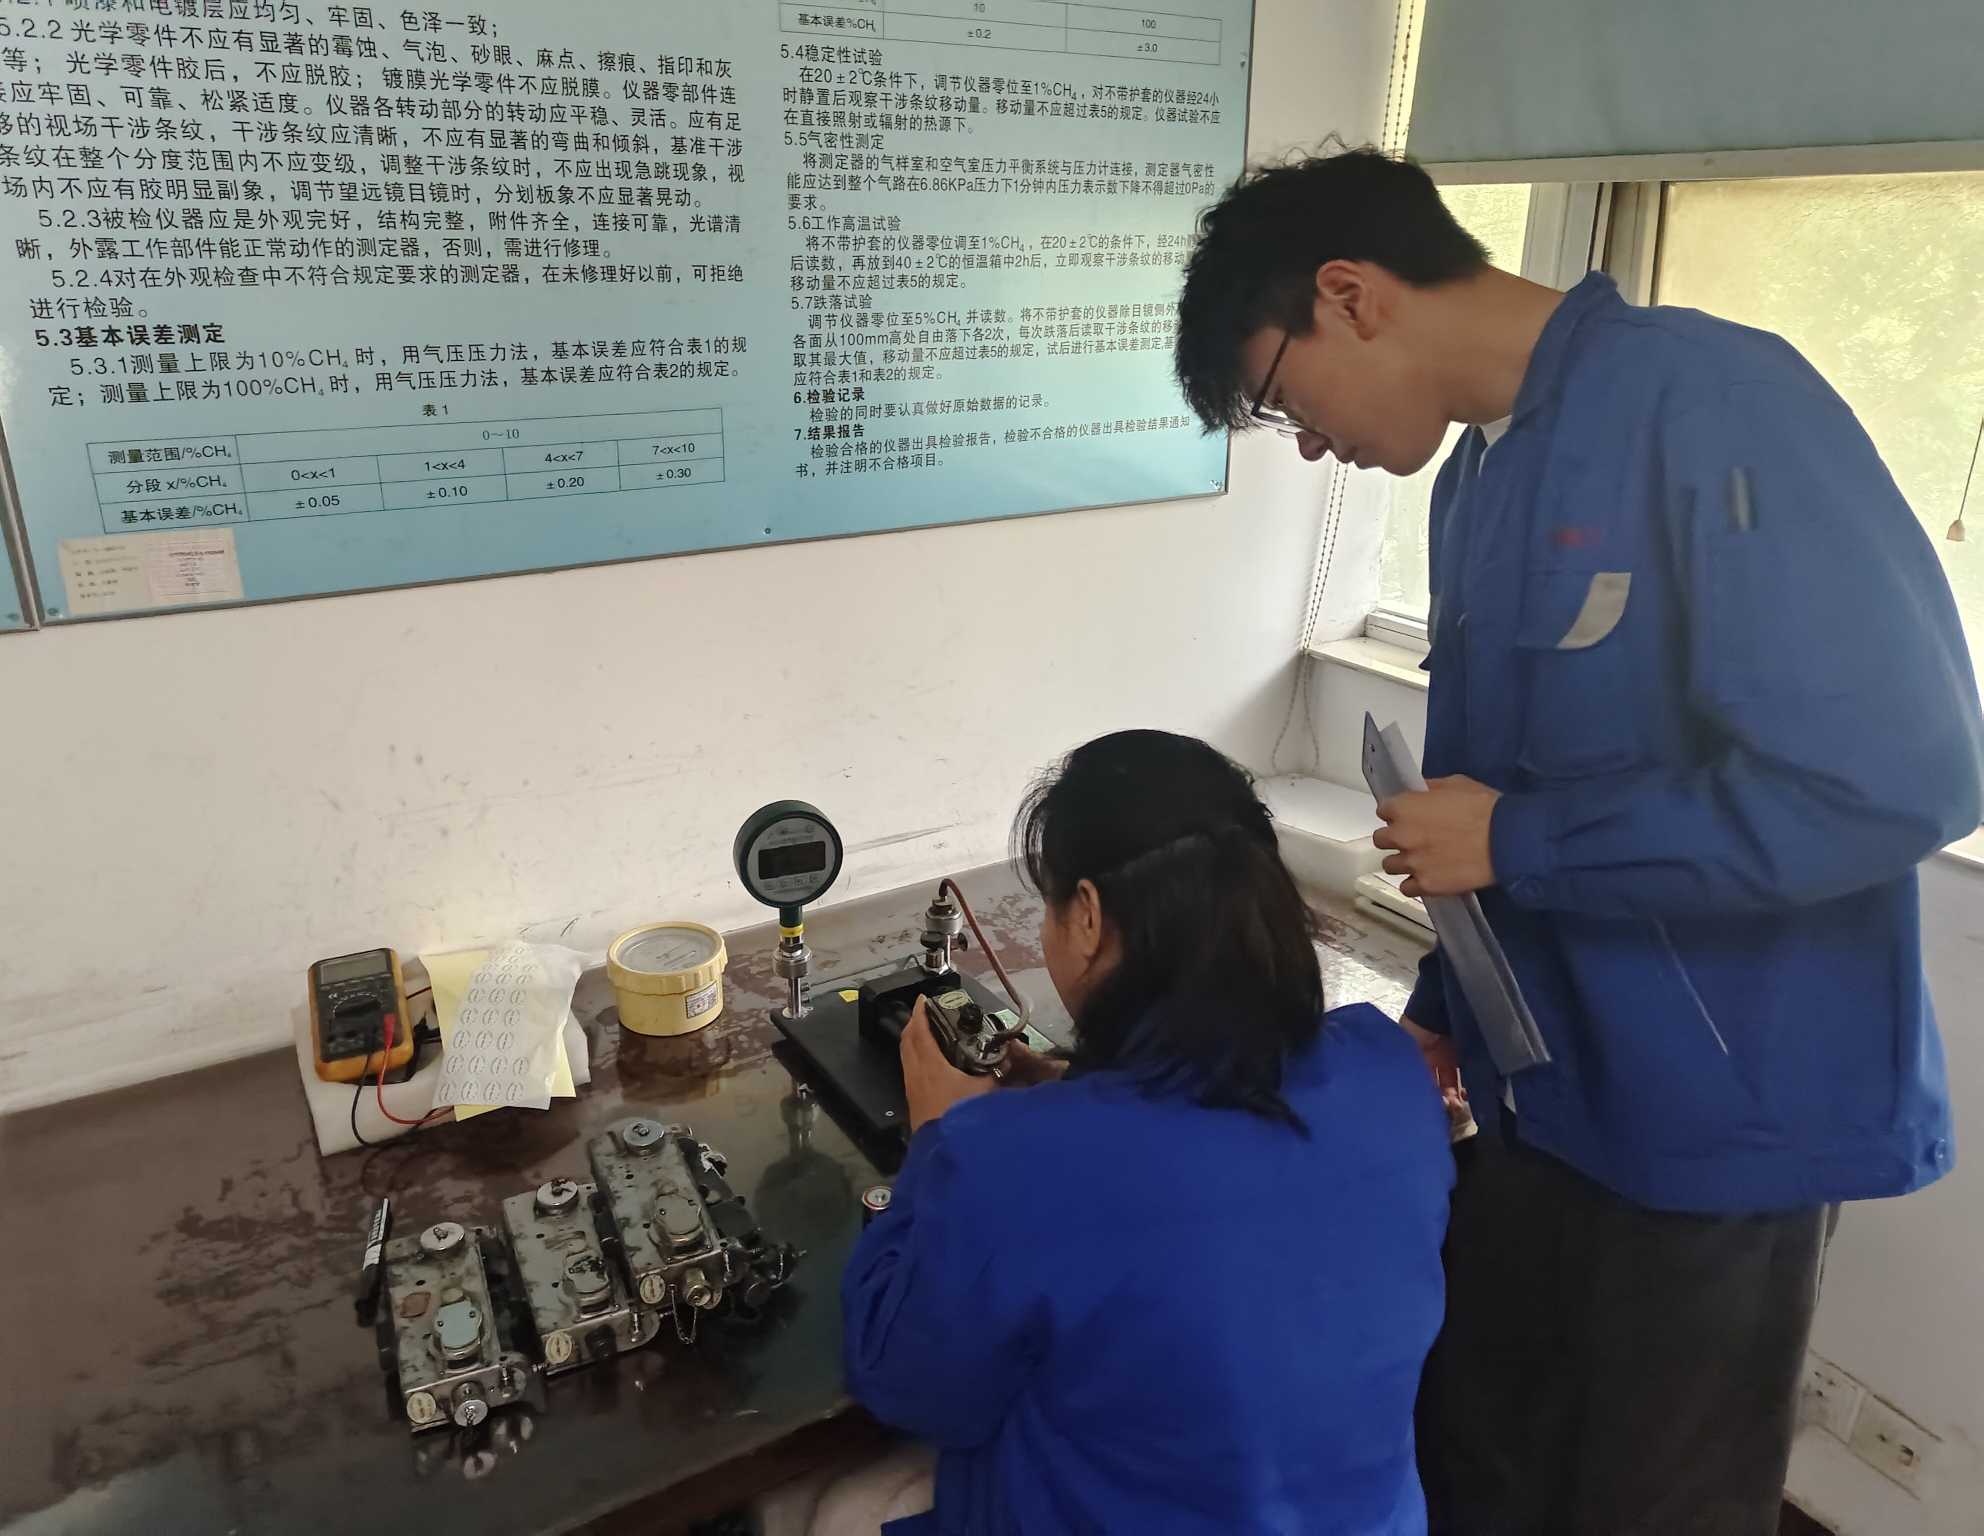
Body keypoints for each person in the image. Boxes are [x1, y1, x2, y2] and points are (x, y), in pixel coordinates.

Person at [1172, 146, 1984, 1535]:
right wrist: (1442, 1007)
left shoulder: (1716, 404)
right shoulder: (1473, 479)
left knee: (1651, 1504)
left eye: (1285, 401)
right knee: (1478, 1459)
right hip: (1539, 1095)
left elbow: (1903, 777)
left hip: (1716, 1124)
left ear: (1351, 295)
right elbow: (1486, 799)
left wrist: (1528, 839)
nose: (1306, 445)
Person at [838, 729, 1454, 1534]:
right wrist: (1076, 1093)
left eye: (1050, 906)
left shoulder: (1001, 1162)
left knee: (830, 1502)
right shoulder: (1391, 1075)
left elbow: (905, 1385)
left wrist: (938, 1135)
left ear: (1089, 917)